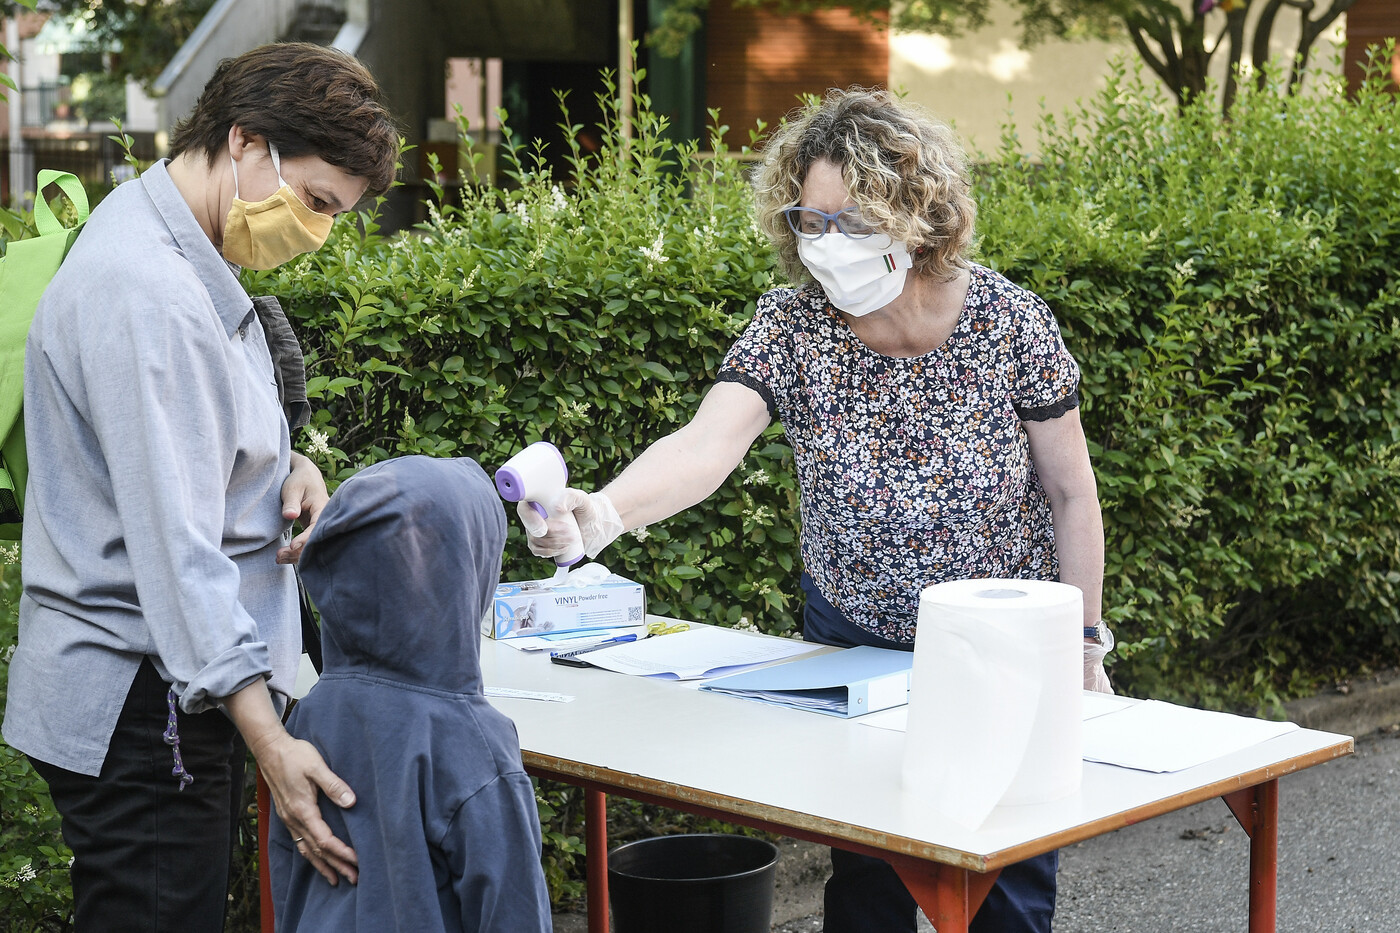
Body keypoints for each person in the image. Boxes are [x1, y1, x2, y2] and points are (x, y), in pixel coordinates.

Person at [518, 87, 1110, 933]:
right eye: (809, 221)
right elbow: (704, 445)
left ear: (919, 213)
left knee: (1005, 889)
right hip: (854, 640)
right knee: (868, 882)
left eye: (851, 221)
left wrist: (1083, 643)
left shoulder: (1010, 322)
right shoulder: (792, 326)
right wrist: (602, 511)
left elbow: (1071, 491)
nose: (825, 246)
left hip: (1001, 652)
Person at [2, 43, 398, 931]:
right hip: (144, 709)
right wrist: (275, 747)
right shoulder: (147, 290)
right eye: (317, 201)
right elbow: (177, 554)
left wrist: (287, 466)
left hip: (174, 698)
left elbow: (197, 450)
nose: (316, 229)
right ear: (247, 142)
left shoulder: (185, 251)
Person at [268, 455, 552, 932]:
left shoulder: (309, 718)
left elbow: (290, 871)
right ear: (473, 568)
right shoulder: (473, 741)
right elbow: (514, 911)